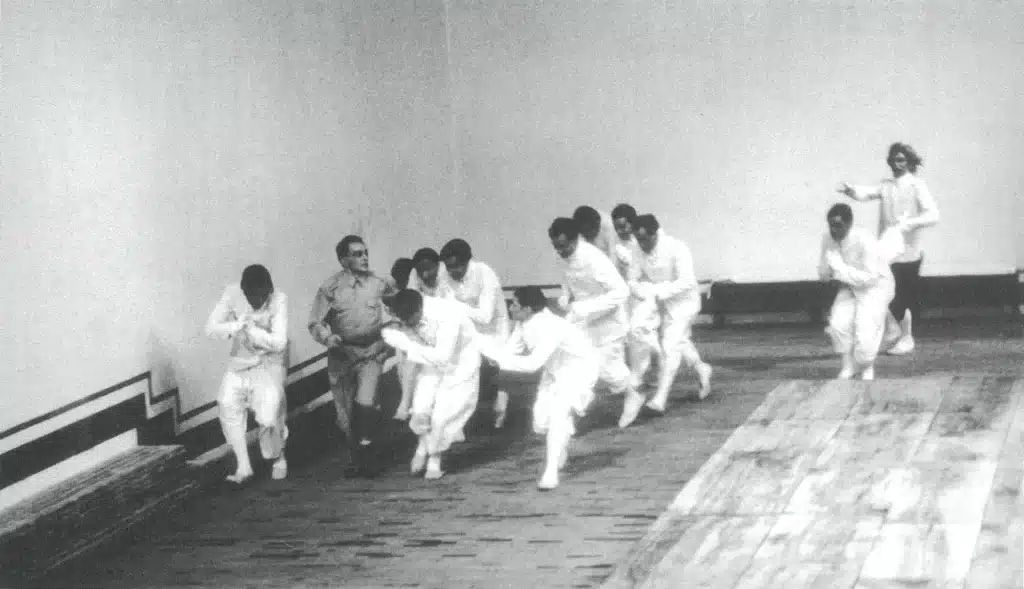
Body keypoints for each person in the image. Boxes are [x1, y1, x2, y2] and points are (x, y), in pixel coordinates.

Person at [481, 287, 598, 490]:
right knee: (540, 422)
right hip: (554, 370)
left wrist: (494, 354)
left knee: (558, 415)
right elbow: (510, 353)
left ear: (527, 309)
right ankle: (560, 443)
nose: (511, 307)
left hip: (578, 371)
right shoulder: (523, 322)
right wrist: (489, 351)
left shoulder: (551, 326)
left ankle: (551, 471)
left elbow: (532, 364)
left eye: (515, 304)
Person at [837, 142, 939, 355]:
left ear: (909, 161)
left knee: (903, 295)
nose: (896, 163)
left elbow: (933, 215)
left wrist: (908, 224)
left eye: (900, 159)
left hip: (908, 251)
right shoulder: (887, 186)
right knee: (881, 291)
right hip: (887, 251)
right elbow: (867, 193)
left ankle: (907, 338)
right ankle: (893, 333)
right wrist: (851, 190)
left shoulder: (917, 185)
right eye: (893, 159)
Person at [308, 235, 397, 477]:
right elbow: (315, 322)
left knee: (366, 403)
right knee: (345, 416)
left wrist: (393, 333)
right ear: (343, 259)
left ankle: (368, 451)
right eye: (357, 254)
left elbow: (399, 305)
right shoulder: (330, 288)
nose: (364, 257)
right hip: (342, 357)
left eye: (365, 252)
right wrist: (328, 338)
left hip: (371, 353)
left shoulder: (380, 283)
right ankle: (356, 457)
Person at [548, 217, 647, 428]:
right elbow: (568, 279)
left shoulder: (593, 258)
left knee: (609, 371)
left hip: (609, 322)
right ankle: (568, 412)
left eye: (564, 246)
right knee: (570, 360)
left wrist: (585, 307)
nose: (560, 251)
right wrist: (565, 296)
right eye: (556, 247)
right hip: (583, 320)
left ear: (575, 239)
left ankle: (634, 395)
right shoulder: (564, 256)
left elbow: (621, 292)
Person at [382, 289, 482, 480]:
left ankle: (434, 460)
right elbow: (412, 361)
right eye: (404, 322)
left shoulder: (447, 315)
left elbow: (443, 357)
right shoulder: (405, 317)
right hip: (429, 357)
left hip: (460, 362)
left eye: (410, 320)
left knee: (441, 416)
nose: (407, 325)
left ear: (419, 309)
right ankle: (422, 447)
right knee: (420, 407)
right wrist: (405, 402)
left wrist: (406, 344)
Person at [205, 264, 289, 483]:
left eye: (260, 297)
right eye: (251, 296)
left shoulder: (279, 299)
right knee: (227, 403)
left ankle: (278, 456)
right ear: (243, 291)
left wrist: (253, 332)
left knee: (269, 414)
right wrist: (236, 326)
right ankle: (244, 467)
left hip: (269, 361)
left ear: (268, 291)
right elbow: (211, 328)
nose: (256, 301)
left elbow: (279, 343)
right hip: (240, 361)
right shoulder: (233, 293)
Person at [627, 214, 713, 412]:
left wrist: (657, 290)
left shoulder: (676, 247)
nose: (642, 244)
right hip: (662, 305)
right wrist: (644, 292)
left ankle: (660, 399)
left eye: (645, 239)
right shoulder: (637, 250)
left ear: (655, 233)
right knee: (680, 342)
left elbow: (687, 281)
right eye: (638, 240)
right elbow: (632, 279)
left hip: (684, 304)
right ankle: (702, 368)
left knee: (670, 345)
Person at [818, 203, 898, 380]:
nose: (833, 230)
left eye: (838, 225)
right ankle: (848, 366)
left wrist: (840, 270)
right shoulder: (828, 238)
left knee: (865, 339)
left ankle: (866, 367)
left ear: (849, 223)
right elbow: (824, 271)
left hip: (875, 288)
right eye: (831, 224)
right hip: (850, 286)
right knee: (838, 324)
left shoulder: (865, 240)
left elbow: (870, 278)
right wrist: (829, 273)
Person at [439, 238, 512, 429]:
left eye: (456, 266)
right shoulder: (445, 278)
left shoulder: (485, 273)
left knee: (490, 380)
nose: (452, 271)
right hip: (467, 333)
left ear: (467, 261)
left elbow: (486, 316)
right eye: (448, 267)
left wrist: (454, 306)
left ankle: (499, 402)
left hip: (494, 332)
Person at [383, 257, 419, 421]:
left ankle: (409, 405)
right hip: (402, 331)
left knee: (409, 367)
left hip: (410, 331)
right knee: (403, 367)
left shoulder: (413, 287)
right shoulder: (393, 288)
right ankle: (408, 404)